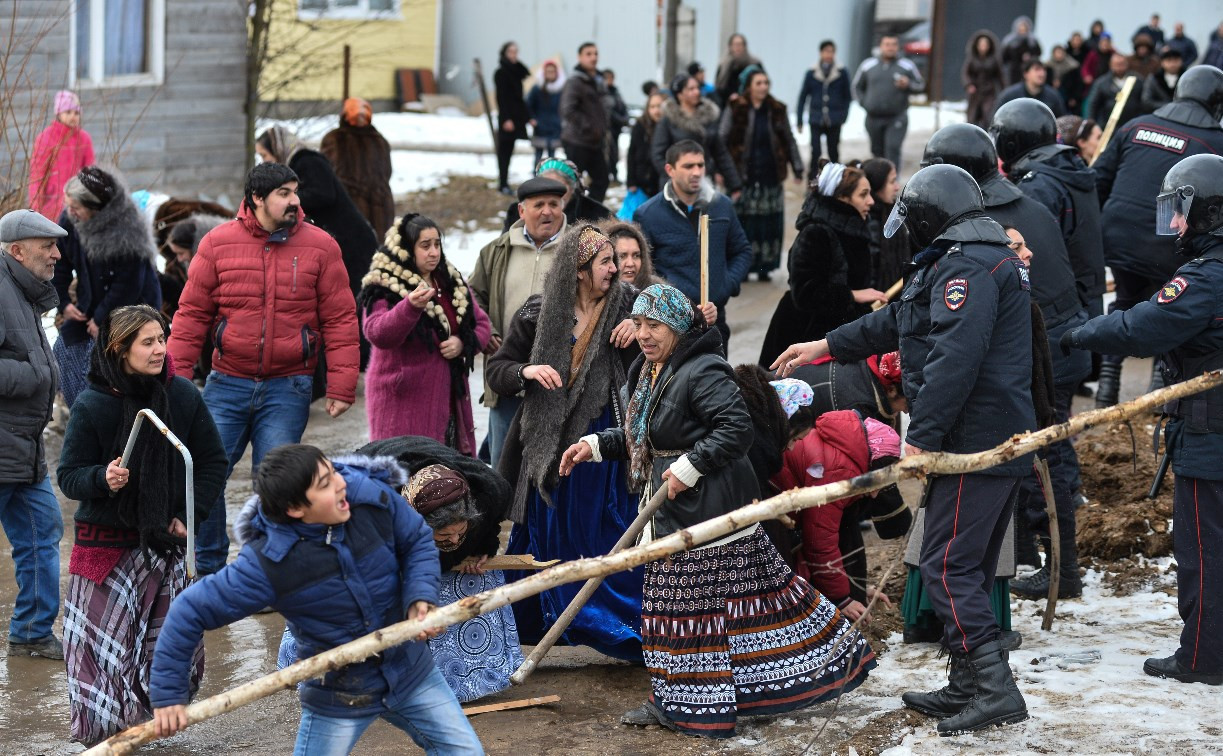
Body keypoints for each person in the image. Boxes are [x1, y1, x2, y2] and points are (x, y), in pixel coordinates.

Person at [772, 164, 1037, 735]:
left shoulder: (969, 266)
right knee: (956, 563)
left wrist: (922, 436)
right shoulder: (961, 259)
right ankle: (969, 682)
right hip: (976, 440)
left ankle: (994, 688)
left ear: (929, 218)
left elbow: (953, 361)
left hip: (978, 444)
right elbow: (900, 319)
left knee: (946, 566)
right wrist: (824, 345)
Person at [563, 283, 877, 738]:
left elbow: (736, 429)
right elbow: (646, 438)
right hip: (672, 505)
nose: (645, 334)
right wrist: (593, 445)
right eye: (639, 324)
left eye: (655, 325)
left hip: (707, 510)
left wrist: (690, 466)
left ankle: (697, 704)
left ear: (677, 326)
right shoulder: (648, 370)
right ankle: (682, 699)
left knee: (703, 607)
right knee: (686, 608)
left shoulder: (702, 369)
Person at [148, 444, 485, 754]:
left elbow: (415, 540)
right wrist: (168, 696)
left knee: (465, 751)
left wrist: (419, 598)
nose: (341, 484)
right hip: (341, 692)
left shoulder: (369, 496)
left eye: (333, 472)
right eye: (325, 484)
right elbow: (188, 610)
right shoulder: (267, 564)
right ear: (296, 508)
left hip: (411, 670)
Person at [1061, 153, 1223, 687]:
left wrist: (1080, 332)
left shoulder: (1207, 276)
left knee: (1204, 548)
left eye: (1183, 212)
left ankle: (1203, 657)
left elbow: (1142, 329)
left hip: (1211, 436)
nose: (1175, 224)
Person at [921, 123, 1091, 601]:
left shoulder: (979, 223)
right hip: (1056, 338)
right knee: (1038, 456)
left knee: (1036, 457)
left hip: (1035, 349)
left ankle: (1060, 567)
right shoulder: (1029, 202)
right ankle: (1037, 560)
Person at [168, 161, 360, 575]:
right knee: (204, 471)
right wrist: (176, 378)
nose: (295, 201)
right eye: (284, 193)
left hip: (288, 386)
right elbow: (191, 315)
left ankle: (264, 573)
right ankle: (210, 567)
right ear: (257, 199)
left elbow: (341, 317)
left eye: (295, 192)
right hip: (227, 381)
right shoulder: (217, 244)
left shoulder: (321, 246)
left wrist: (343, 383)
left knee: (274, 484)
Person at [57, 305, 227, 744]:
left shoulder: (183, 396)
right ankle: (106, 742)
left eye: (162, 339)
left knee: (169, 656)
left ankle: (142, 730)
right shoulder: (93, 404)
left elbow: (211, 462)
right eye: (147, 342)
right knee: (95, 660)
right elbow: (69, 475)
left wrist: (190, 514)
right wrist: (102, 477)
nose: (159, 350)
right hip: (104, 551)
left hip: (162, 547)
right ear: (119, 348)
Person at [485, 225, 642, 659]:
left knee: (607, 531)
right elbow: (498, 368)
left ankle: (622, 629)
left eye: (615, 260)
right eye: (606, 263)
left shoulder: (629, 304)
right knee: (550, 536)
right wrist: (527, 372)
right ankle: (550, 621)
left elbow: (677, 333)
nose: (617, 269)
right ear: (578, 271)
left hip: (604, 445)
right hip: (547, 446)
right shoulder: (538, 313)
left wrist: (642, 326)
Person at [334, 435, 523, 702]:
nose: (455, 541)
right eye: (444, 537)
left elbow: (489, 523)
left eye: (460, 532)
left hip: (433, 473)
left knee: (474, 579)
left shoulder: (489, 491)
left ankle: (473, 675)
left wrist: (482, 548)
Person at [1091, 65, 1223, 406]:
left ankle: (1107, 389)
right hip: (1172, 239)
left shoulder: (1136, 126)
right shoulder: (1215, 141)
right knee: (1169, 309)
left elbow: (1098, 181)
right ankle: (1156, 393)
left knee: (1125, 299)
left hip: (1118, 234)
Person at [357, 214, 491, 451]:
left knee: (448, 478)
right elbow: (377, 333)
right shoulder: (384, 285)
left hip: (450, 401)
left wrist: (462, 343)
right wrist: (409, 307)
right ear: (407, 249)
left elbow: (482, 326)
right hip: (402, 403)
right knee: (407, 475)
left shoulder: (450, 282)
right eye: (425, 246)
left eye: (437, 244)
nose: (434, 252)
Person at [0, 209, 69, 661]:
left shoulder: (23, 293)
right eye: (48, 246)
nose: (57, 254)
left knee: (44, 530)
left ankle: (31, 632)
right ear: (17, 250)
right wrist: (35, 375)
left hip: (24, 447)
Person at [470, 176, 569, 467]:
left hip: (558, 381)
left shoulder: (577, 251)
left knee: (552, 466)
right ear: (521, 211)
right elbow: (474, 296)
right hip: (507, 377)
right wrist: (486, 330)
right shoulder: (496, 251)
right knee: (503, 466)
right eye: (539, 205)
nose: (547, 211)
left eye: (554, 204)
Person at [775, 409, 901, 623]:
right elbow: (819, 541)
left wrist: (855, 589)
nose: (874, 493)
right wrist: (843, 599)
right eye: (877, 483)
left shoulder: (847, 450)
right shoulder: (839, 473)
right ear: (871, 468)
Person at [991, 98, 1105, 331]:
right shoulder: (1070, 167)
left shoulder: (1038, 184)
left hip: (1062, 311)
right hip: (1087, 297)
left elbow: (1036, 254)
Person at [53, 166, 162, 408]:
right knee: (66, 349)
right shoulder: (70, 219)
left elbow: (129, 282)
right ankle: (82, 412)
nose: (69, 212)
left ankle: (112, 417)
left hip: (132, 309)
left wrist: (102, 317)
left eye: (76, 207)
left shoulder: (127, 228)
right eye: (68, 204)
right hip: (91, 305)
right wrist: (64, 303)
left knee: (111, 368)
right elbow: (58, 261)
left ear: (96, 208)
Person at [758, 161, 881, 368]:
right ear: (842, 198)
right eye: (863, 195)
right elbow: (805, 293)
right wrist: (852, 295)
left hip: (839, 336)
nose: (870, 201)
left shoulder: (855, 230)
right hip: (805, 335)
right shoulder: (816, 233)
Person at [634, 140, 751, 349]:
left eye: (700, 165)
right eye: (688, 166)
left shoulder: (721, 206)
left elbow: (742, 251)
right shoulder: (648, 214)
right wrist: (674, 302)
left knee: (716, 379)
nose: (697, 172)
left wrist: (725, 285)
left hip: (714, 320)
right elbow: (645, 269)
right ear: (670, 169)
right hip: (670, 325)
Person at [257, 126, 378, 301]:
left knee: (355, 300)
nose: (264, 161)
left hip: (352, 242)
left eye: (264, 155)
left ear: (277, 148)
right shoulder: (293, 167)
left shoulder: (307, 161)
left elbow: (324, 194)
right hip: (339, 241)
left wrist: (285, 199)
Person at [721, 65, 804, 281]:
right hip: (743, 177)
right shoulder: (736, 107)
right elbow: (722, 139)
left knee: (769, 222)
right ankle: (744, 267)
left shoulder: (777, 109)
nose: (763, 87)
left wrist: (797, 166)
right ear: (749, 86)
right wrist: (721, 170)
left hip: (770, 175)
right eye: (758, 83)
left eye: (766, 83)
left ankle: (765, 267)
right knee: (745, 223)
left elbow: (788, 139)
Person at [651, 73, 742, 196]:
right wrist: (675, 175)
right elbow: (658, 154)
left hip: (704, 181)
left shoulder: (708, 117)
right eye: (691, 89)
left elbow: (720, 153)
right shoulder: (668, 120)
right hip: (675, 184)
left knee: (704, 215)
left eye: (697, 88)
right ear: (680, 94)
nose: (697, 92)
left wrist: (734, 184)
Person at [319, 97, 396, 239]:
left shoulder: (335, 139)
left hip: (349, 205)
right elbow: (387, 172)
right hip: (381, 206)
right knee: (378, 253)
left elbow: (324, 174)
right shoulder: (380, 140)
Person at [852, 35, 924, 170]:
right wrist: (864, 103)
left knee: (892, 149)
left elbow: (920, 85)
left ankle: (892, 182)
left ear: (898, 47)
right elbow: (856, 87)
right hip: (873, 117)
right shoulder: (868, 65)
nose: (890, 48)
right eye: (887, 44)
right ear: (881, 46)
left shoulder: (906, 65)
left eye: (893, 44)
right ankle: (878, 183)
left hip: (896, 117)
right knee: (877, 152)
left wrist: (908, 84)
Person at [28, 90, 94, 222]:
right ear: (58, 113)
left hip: (77, 203)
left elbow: (90, 172)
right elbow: (37, 175)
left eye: (76, 113)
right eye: (68, 112)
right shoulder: (46, 138)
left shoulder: (84, 139)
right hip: (51, 204)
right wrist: (35, 209)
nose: (73, 116)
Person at [501, 157, 612, 232]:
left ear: (572, 188)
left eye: (559, 187)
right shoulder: (519, 212)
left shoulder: (597, 215)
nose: (551, 192)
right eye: (544, 185)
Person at [560, 42, 609, 202]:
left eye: (595, 53)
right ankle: (574, 217)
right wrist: (589, 127)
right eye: (588, 54)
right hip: (577, 142)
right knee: (574, 185)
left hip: (595, 142)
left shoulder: (598, 80)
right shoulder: (575, 81)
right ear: (580, 57)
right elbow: (567, 110)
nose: (593, 57)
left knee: (602, 180)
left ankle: (591, 214)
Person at [158, 214, 226, 321]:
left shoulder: (217, 261)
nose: (179, 259)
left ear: (193, 247)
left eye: (181, 253)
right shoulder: (190, 259)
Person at [797, 40, 853, 166]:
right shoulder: (811, 73)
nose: (829, 55)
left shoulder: (841, 72)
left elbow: (847, 97)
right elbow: (803, 97)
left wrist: (844, 116)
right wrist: (800, 120)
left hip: (834, 119)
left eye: (831, 52)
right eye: (826, 51)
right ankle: (813, 180)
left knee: (833, 151)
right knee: (815, 151)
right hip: (816, 118)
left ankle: (835, 180)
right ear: (820, 53)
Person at [862, 157, 908, 293]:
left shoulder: (893, 212)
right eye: (892, 181)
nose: (897, 187)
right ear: (877, 186)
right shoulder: (870, 223)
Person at [494, 42, 532, 195]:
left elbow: (520, 98)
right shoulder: (501, 73)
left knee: (510, 150)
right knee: (504, 151)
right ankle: (502, 182)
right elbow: (501, 98)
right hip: (508, 117)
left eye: (516, 51)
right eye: (511, 51)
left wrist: (528, 117)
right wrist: (506, 119)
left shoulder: (516, 72)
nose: (514, 54)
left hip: (517, 116)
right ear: (504, 53)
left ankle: (504, 181)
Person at [598, 218, 662, 289]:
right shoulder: (594, 294)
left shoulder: (657, 292)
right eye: (622, 256)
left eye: (636, 256)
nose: (630, 264)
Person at [1084, 52, 1141, 127]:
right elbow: (1092, 103)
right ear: (1111, 65)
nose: (1120, 67)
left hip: (1132, 123)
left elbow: (1143, 101)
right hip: (1108, 124)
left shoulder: (1137, 80)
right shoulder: (1101, 82)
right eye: (1117, 65)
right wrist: (1091, 123)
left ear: (1127, 64)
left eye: (1122, 64)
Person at [994, 59, 1068, 116]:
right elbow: (995, 118)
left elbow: (1062, 119)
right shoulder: (1010, 96)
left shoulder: (1053, 96)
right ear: (1026, 74)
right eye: (1037, 69)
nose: (1042, 74)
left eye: (1043, 70)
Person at [961, 30, 1004, 128]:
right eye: (981, 44)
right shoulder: (972, 59)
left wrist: (1004, 90)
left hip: (989, 91)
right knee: (972, 117)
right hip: (975, 92)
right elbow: (965, 73)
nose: (983, 47)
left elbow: (1000, 75)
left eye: (985, 44)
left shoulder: (994, 60)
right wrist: (968, 85)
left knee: (988, 115)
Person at [626, 91, 665, 198]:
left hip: (662, 180)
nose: (656, 110)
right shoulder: (640, 126)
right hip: (642, 181)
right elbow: (631, 153)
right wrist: (631, 181)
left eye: (659, 106)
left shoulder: (669, 127)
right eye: (652, 107)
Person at [526, 60, 565, 165]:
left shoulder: (561, 90)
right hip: (540, 127)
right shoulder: (537, 89)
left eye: (553, 71)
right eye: (548, 71)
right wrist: (532, 119)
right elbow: (528, 105)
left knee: (552, 157)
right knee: (538, 156)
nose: (550, 74)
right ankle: (536, 177)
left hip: (555, 127)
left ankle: (549, 178)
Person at [713, 33, 761, 106]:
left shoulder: (754, 63)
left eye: (740, 44)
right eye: (735, 44)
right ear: (730, 46)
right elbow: (719, 86)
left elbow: (761, 82)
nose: (738, 47)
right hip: (727, 104)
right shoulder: (724, 64)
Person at [602, 68, 630, 185]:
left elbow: (623, 107)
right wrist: (621, 119)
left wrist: (625, 118)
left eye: (611, 78)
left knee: (614, 154)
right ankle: (606, 176)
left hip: (615, 129)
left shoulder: (615, 92)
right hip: (606, 130)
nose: (609, 81)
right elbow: (609, 113)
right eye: (607, 78)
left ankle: (614, 175)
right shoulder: (602, 94)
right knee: (606, 155)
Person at [1140, 46, 1184, 114]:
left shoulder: (1187, 78)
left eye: (1175, 60)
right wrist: (1169, 106)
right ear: (1162, 63)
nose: (1172, 64)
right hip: (1158, 115)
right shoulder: (1153, 79)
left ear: (1181, 62)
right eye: (1169, 61)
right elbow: (1146, 101)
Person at [1001, 15, 1042, 86]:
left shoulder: (1032, 42)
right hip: (1013, 72)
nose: (1022, 32)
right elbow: (1004, 57)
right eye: (1021, 29)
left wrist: (1030, 58)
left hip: (1028, 70)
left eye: (1024, 29)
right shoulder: (1010, 42)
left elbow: (1038, 53)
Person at [1045, 44, 1084, 115]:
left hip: (1067, 97)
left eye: (1061, 52)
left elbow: (1078, 84)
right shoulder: (1048, 66)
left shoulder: (1073, 66)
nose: (1059, 55)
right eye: (1057, 52)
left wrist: (1074, 98)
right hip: (1051, 96)